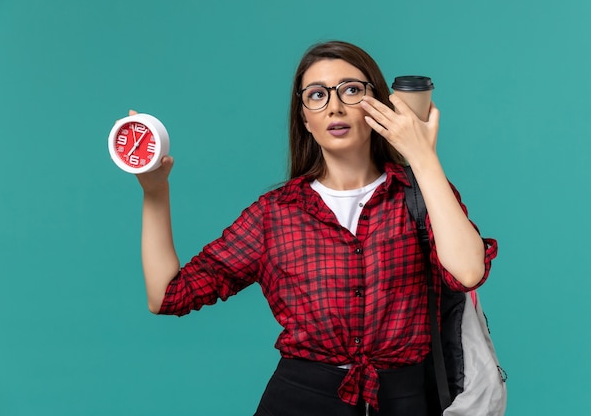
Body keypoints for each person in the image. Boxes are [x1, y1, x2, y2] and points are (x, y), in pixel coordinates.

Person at [134, 41, 497, 416]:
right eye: (317, 95)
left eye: (352, 90)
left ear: (378, 105)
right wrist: (155, 192)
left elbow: (468, 271)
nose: (335, 106)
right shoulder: (275, 214)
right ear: (305, 119)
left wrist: (422, 156)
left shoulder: (420, 195)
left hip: (406, 400)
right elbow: (167, 295)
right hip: (301, 400)